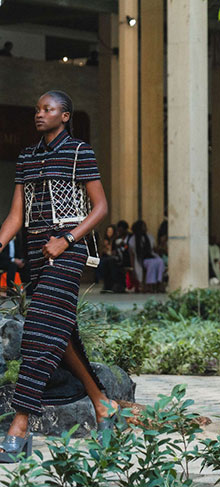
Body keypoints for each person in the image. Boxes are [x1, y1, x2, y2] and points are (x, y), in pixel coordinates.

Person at [0, 91, 119, 461]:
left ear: (65, 116)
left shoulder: (79, 152)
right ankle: (102, 403)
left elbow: (101, 208)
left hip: (68, 251)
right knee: (59, 333)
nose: (39, 114)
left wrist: (67, 240)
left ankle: (20, 424)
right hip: (38, 251)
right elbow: (16, 214)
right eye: (37, 109)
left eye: (47, 109)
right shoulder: (27, 156)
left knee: (37, 328)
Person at [128, 220, 165, 293]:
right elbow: (132, 255)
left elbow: (154, 249)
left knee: (160, 261)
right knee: (152, 263)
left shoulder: (149, 237)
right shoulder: (133, 239)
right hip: (141, 259)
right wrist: (133, 268)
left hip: (151, 256)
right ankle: (149, 284)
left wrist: (160, 248)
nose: (145, 228)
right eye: (143, 226)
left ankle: (159, 281)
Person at [98, 224, 124, 293]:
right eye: (108, 231)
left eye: (111, 231)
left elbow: (116, 251)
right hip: (108, 258)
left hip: (117, 259)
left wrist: (108, 247)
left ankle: (114, 285)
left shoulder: (117, 240)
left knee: (108, 262)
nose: (109, 233)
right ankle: (106, 284)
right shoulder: (105, 240)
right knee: (102, 262)